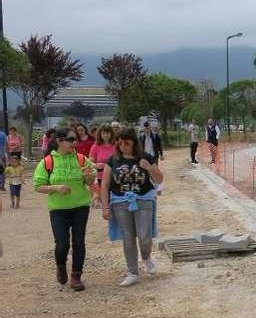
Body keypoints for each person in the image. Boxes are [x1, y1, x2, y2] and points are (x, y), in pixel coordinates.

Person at [33, 127, 96, 291]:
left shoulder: (82, 159)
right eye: (71, 140)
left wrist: (89, 177)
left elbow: (90, 182)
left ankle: (76, 276)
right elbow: (38, 186)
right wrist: (55, 187)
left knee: (79, 241)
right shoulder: (47, 162)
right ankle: (61, 266)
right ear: (59, 141)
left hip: (80, 206)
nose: (75, 142)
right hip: (58, 209)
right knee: (62, 244)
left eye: (76, 139)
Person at [101, 128, 163, 287]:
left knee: (144, 235)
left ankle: (146, 256)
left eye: (126, 143)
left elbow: (159, 178)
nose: (123, 146)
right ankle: (132, 272)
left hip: (143, 199)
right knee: (128, 237)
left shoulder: (145, 157)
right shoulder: (112, 160)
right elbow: (105, 184)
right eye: (120, 143)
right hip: (120, 201)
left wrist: (149, 168)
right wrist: (105, 207)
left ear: (134, 142)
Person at [88, 124, 116, 208]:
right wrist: (95, 165)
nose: (106, 135)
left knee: (114, 202)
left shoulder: (116, 146)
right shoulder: (95, 146)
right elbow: (90, 161)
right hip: (100, 178)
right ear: (100, 134)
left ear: (111, 134)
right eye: (104, 133)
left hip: (114, 177)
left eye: (108, 133)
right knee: (105, 203)